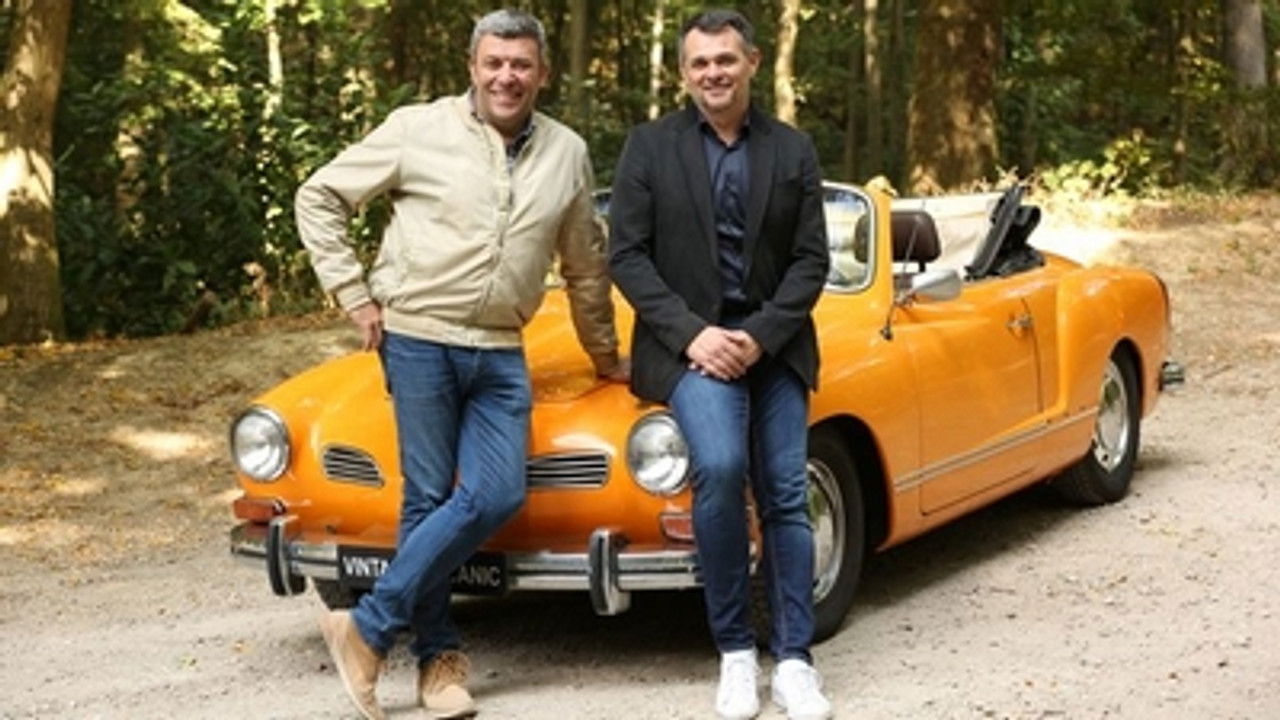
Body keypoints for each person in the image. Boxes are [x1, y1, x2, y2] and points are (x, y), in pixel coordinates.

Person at [294, 8, 625, 720]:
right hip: (418, 338)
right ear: (472, 67)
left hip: (501, 348)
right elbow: (318, 196)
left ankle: (367, 626)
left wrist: (605, 355)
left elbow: (585, 266)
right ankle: (438, 664)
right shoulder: (418, 129)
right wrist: (354, 295)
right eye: (494, 63)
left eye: (521, 64)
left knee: (498, 493)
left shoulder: (566, 152)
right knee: (425, 498)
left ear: (543, 73)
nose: (507, 76)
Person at [607, 8, 832, 720]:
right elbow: (627, 257)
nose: (714, 73)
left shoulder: (792, 150)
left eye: (726, 59)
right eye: (700, 62)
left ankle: (794, 661)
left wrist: (759, 336)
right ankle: (736, 652)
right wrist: (693, 335)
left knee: (785, 492)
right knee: (723, 468)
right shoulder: (649, 148)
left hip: (774, 345)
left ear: (752, 63)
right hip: (688, 348)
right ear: (683, 72)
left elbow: (811, 261)